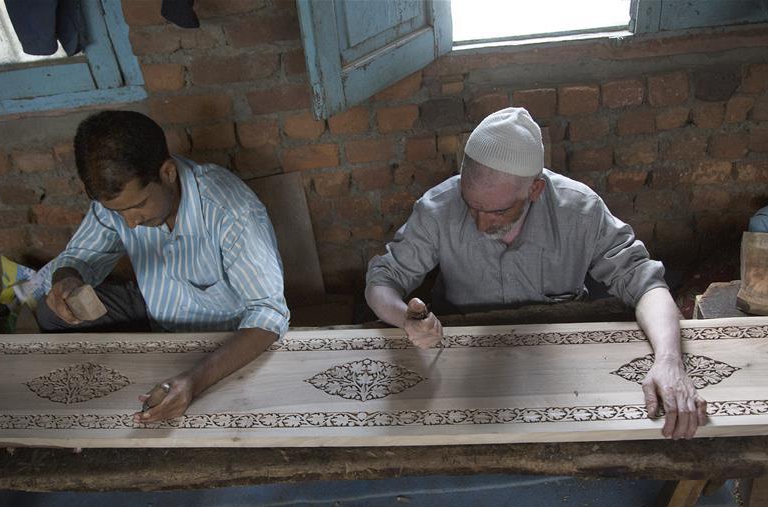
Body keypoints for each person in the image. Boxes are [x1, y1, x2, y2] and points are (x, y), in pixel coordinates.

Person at [365, 107, 707, 440]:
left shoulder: (579, 210)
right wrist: (405, 320)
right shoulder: (438, 207)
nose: (481, 224)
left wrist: (669, 360)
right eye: (471, 206)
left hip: (557, 355)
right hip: (460, 348)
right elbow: (382, 280)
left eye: (497, 211)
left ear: (535, 190)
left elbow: (645, 283)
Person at [37, 110, 289, 423]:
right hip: (155, 306)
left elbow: (269, 314)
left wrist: (195, 382)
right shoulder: (120, 202)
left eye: (137, 206)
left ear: (167, 172)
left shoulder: (231, 211)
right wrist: (67, 280)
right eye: (118, 213)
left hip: (222, 333)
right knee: (50, 312)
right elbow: (79, 256)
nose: (130, 222)